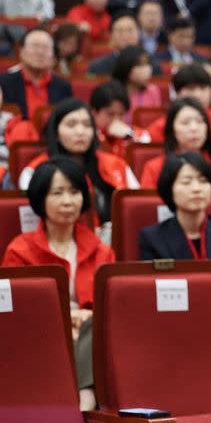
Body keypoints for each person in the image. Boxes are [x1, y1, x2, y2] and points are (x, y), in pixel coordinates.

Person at [2, 157, 115, 411]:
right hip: (40, 333)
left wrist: (87, 316)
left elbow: (112, 306)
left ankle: (83, 402)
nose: (67, 201)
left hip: (90, 333)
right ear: (41, 199)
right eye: (57, 193)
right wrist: (65, 317)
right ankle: (83, 404)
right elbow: (15, 309)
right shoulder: (20, 250)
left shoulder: (101, 250)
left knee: (94, 325)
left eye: (74, 192)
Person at [139, 151, 211, 346]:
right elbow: (151, 297)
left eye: (203, 181)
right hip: (175, 323)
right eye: (186, 182)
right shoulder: (152, 238)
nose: (196, 189)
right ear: (170, 189)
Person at [19, 98, 139, 223]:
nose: (80, 132)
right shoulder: (34, 171)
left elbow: (136, 207)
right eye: (71, 125)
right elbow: (33, 218)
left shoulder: (116, 164)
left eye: (87, 125)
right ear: (55, 131)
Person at [140, 97, 211, 228]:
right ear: (172, 129)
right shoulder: (154, 168)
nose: (194, 128)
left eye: (200, 121)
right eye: (185, 123)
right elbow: (150, 212)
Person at [145, 63, 211, 166]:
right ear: (178, 94)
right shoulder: (160, 128)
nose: (198, 95)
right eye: (191, 89)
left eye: (203, 88)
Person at [0, 28, 73, 119]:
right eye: (35, 46)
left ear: (53, 56)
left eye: (45, 48)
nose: (40, 52)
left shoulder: (63, 87)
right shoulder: (3, 83)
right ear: (21, 51)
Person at [88, 11, 162, 76]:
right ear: (111, 35)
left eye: (130, 30)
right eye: (120, 31)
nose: (125, 35)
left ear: (138, 33)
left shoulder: (152, 65)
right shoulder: (98, 66)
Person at [90, 80, 150, 158]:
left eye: (121, 114)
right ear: (94, 112)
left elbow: (148, 149)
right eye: (110, 114)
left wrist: (129, 136)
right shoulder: (88, 136)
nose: (116, 120)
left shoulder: (133, 133)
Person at [110, 45, 161, 122]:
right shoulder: (112, 93)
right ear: (126, 67)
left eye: (147, 64)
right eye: (141, 65)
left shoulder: (153, 91)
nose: (147, 69)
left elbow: (157, 122)